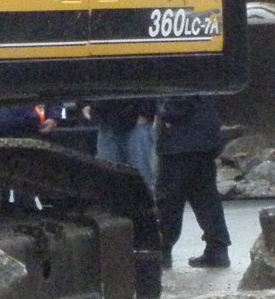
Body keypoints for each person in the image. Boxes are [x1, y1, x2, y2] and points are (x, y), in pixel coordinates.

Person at [153, 94, 230, 268]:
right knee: (205, 196)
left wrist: (164, 112)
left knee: (169, 198)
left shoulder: (177, 68)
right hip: (204, 139)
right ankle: (217, 248)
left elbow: (178, 97)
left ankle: (163, 248)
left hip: (180, 141)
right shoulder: (202, 68)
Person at [86, 97, 155, 187]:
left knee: (142, 172)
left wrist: (146, 113)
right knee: (107, 175)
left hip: (136, 120)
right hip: (106, 120)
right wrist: (85, 105)